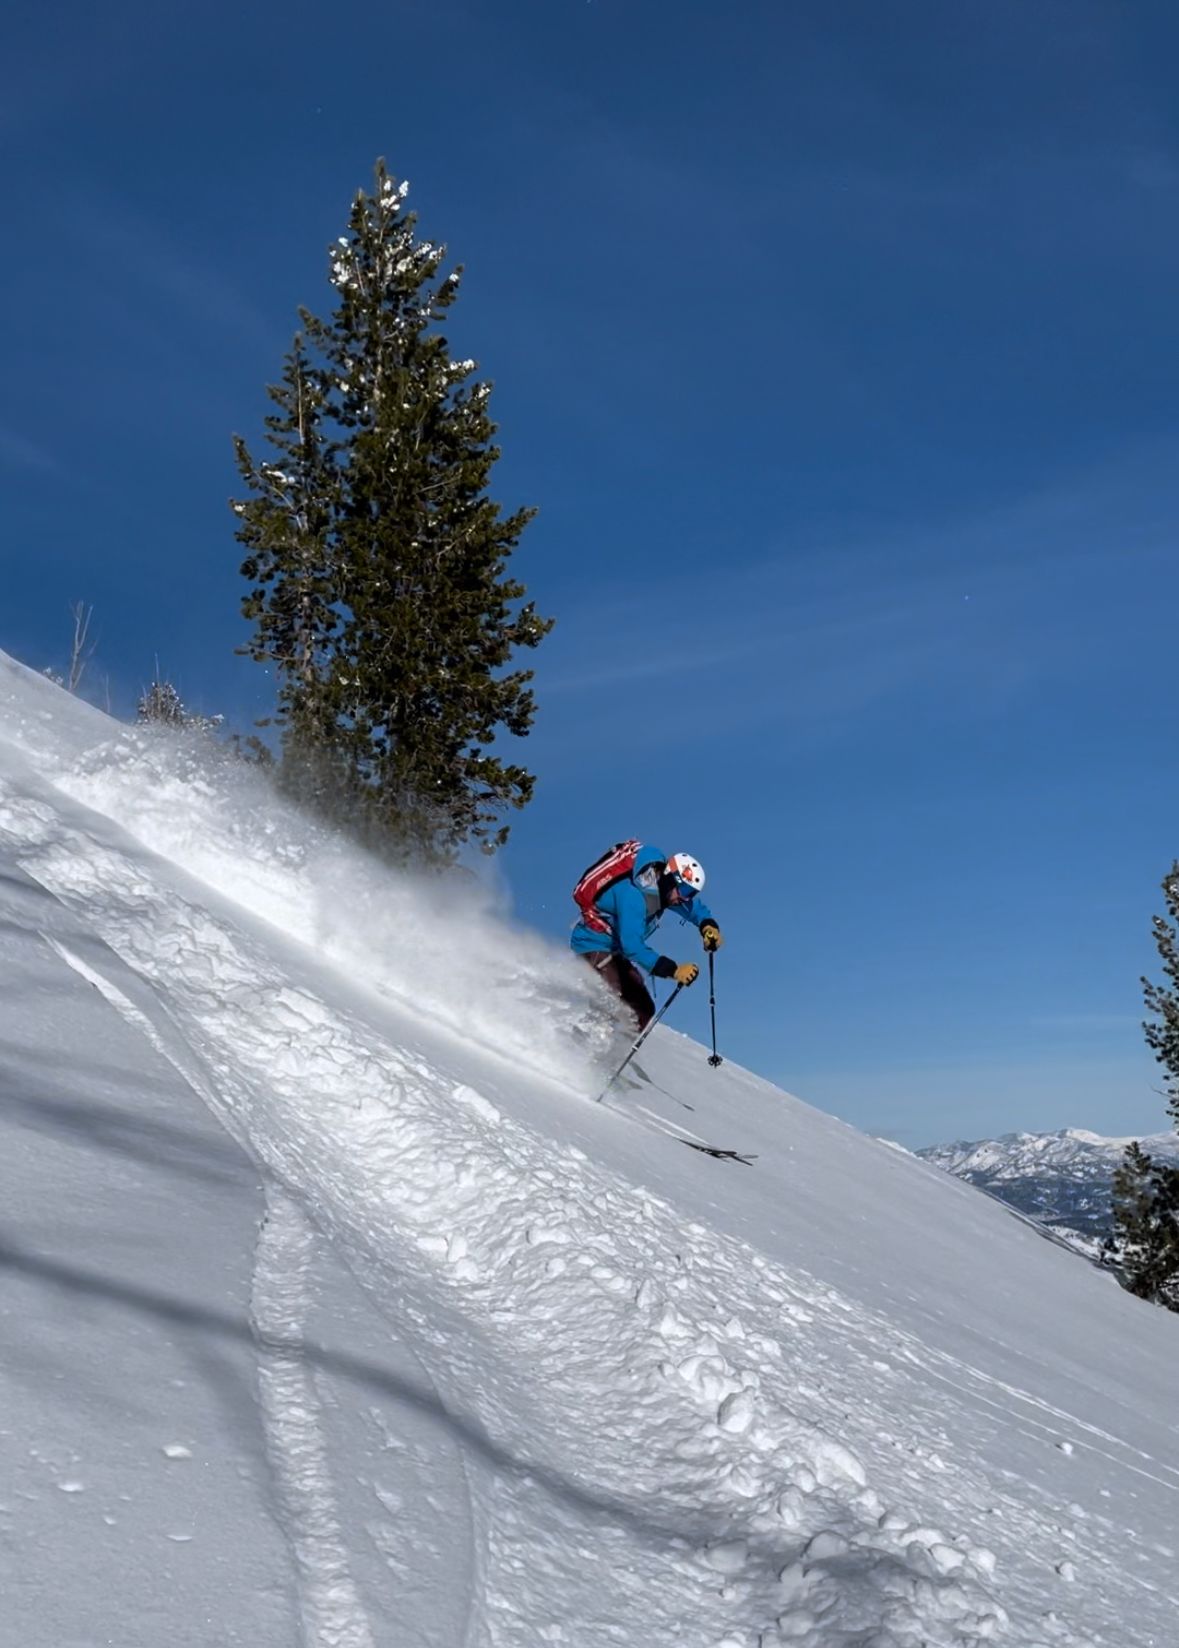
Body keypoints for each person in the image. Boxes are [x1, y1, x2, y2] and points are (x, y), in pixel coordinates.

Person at [570, 841, 723, 1032]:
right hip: (592, 945)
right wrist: (673, 970)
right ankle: (581, 1048)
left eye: (690, 893)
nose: (684, 898)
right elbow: (632, 946)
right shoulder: (633, 896)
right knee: (609, 994)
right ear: (670, 879)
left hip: (613, 950)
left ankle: (614, 1053)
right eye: (684, 891)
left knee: (642, 1008)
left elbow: (693, 909)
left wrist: (707, 925)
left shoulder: (662, 889)